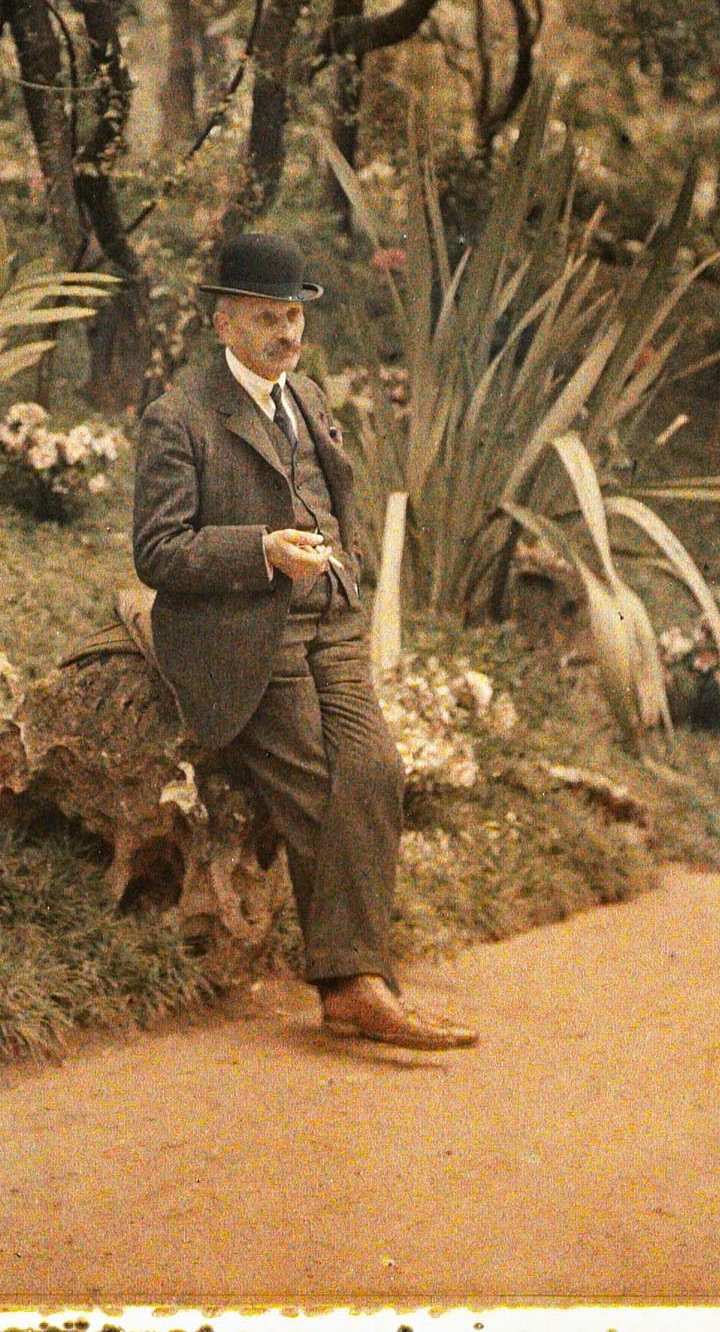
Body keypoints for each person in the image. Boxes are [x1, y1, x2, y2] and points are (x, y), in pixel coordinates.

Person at [132, 230, 478, 1051]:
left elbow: (335, 497)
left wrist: (344, 572)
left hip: (332, 625)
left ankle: (357, 983)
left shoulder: (308, 398)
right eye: (265, 318)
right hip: (247, 637)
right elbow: (156, 552)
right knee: (321, 791)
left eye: (293, 316)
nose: (285, 333)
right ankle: (353, 988)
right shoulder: (179, 417)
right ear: (223, 323)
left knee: (378, 771)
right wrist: (259, 550)